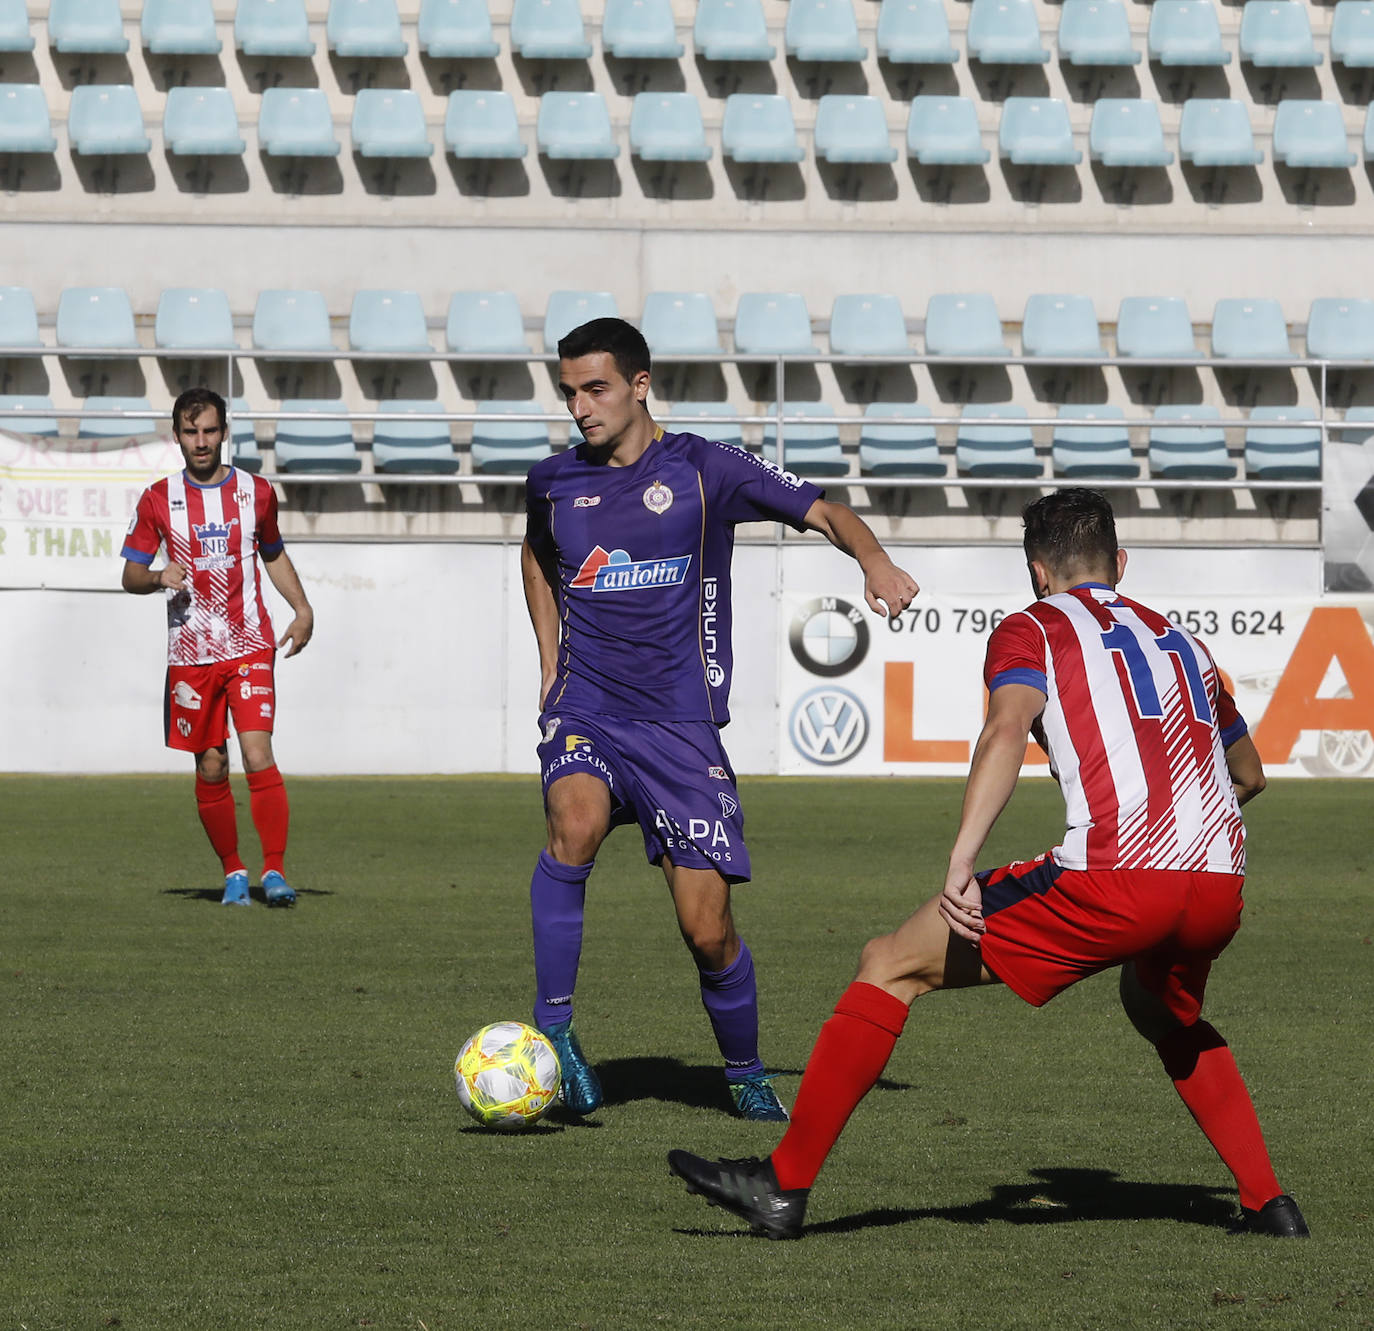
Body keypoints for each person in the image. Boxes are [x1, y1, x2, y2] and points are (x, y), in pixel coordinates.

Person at [669, 486, 1309, 1236]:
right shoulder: (1186, 644)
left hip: (1116, 879)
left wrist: (961, 858)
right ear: (1121, 563)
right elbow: (1251, 774)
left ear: (1039, 572)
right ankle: (1271, 1202)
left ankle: (781, 1184)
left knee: (888, 962)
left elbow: (1006, 730)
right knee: (1161, 1008)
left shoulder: (1032, 627)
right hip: (1218, 884)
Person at [521, 317, 919, 1120]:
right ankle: (555, 1032)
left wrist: (873, 559)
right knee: (575, 824)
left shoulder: (707, 468)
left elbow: (826, 510)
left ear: (639, 385)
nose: (579, 407)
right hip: (588, 710)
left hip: (679, 728)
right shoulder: (553, 479)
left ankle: (742, 1069)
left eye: (594, 388)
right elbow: (536, 552)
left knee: (708, 929)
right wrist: (550, 654)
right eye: (568, 392)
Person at [121, 386, 314, 907]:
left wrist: (302, 608)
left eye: (209, 430)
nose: (201, 441)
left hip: (249, 643)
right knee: (211, 764)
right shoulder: (158, 499)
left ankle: (273, 873)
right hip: (190, 654)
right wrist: (160, 575)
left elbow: (272, 553)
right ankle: (233, 873)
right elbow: (131, 576)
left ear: (225, 433)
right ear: (178, 436)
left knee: (256, 752)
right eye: (191, 432)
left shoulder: (257, 492)